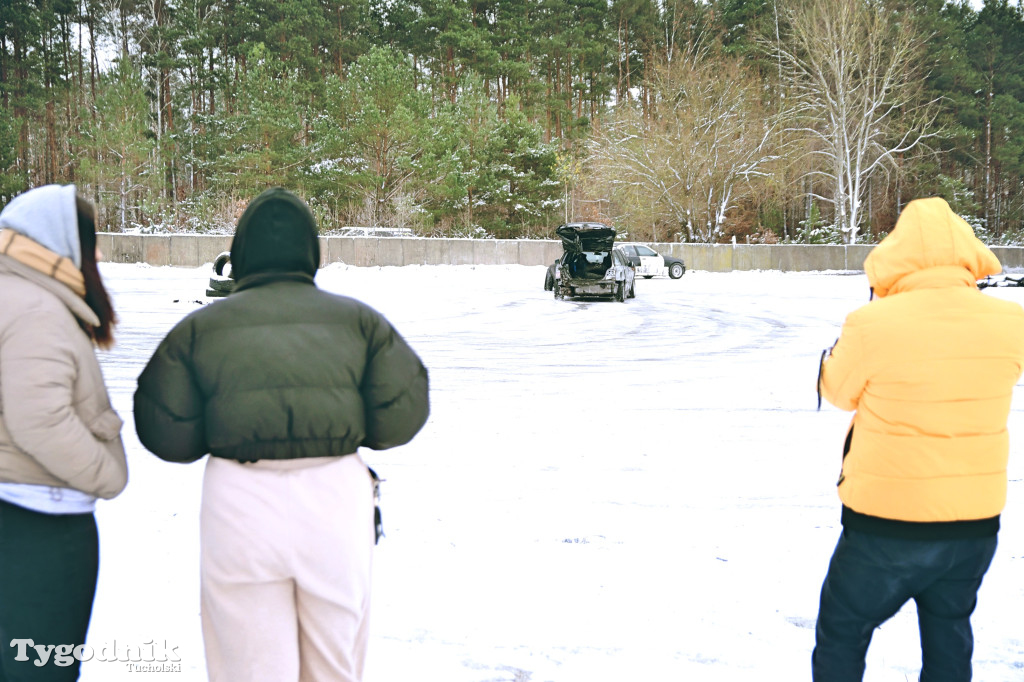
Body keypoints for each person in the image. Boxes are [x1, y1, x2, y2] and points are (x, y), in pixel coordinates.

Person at [133, 187, 429, 682]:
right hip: (336, 499)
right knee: (333, 665)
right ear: (311, 252)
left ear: (240, 255)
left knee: (248, 667)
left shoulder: (199, 330)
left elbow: (165, 433)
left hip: (239, 502)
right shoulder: (359, 322)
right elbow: (401, 416)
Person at [814, 197, 1024, 681]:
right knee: (949, 630)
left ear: (896, 254)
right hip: (973, 523)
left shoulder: (871, 323)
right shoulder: (1011, 320)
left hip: (885, 525)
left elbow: (839, 393)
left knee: (843, 631)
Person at [0, 185, 128, 680]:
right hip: (36, 526)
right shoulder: (36, 309)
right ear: (60, 241)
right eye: (89, 239)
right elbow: (40, 419)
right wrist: (108, 473)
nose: (96, 253)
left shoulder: (18, 293)